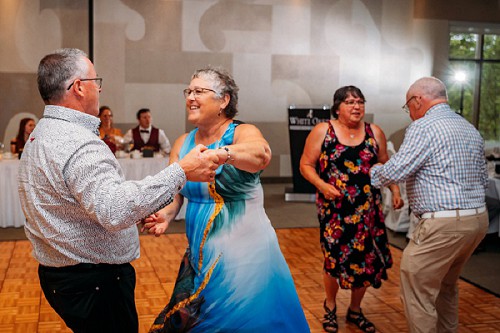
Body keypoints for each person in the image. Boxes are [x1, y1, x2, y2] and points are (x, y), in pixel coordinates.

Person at [17, 48, 220, 333]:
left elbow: (76, 201)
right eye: (95, 80)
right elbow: (114, 210)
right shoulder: (78, 143)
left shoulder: (43, 133)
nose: (99, 88)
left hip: (61, 275)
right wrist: (181, 171)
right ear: (78, 87)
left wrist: (137, 207)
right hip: (94, 282)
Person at [143, 66, 310, 332]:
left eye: (199, 91)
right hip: (200, 254)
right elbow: (176, 194)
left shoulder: (242, 132)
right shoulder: (183, 143)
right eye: (188, 91)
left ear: (224, 100)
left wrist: (221, 154)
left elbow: (261, 155)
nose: (190, 97)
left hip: (246, 255)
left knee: (240, 321)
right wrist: (166, 214)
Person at [370, 77, 488, 333]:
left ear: (418, 101)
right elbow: (483, 179)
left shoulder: (423, 127)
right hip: (477, 221)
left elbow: (396, 171)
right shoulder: (469, 127)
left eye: (407, 106)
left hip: (444, 225)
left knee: (417, 289)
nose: (410, 113)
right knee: (446, 285)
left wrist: (374, 171)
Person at [300, 85, 403, 333]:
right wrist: (322, 185)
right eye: (350, 102)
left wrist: (395, 190)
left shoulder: (373, 132)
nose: (356, 106)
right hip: (334, 210)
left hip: (368, 209)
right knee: (333, 261)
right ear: (337, 108)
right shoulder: (323, 131)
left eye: (360, 102)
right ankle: (330, 307)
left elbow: (383, 163)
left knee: (366, 261)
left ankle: (355, 311)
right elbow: (306, 164)